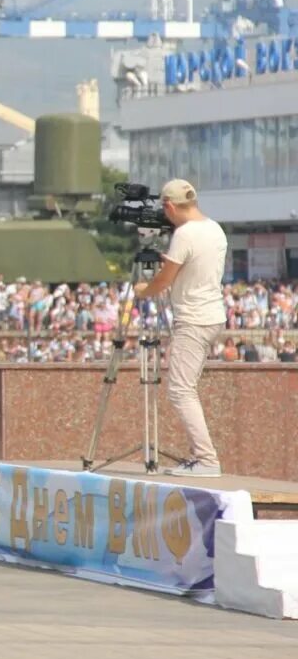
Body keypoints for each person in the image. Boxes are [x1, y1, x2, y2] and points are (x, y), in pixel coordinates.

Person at [133, 179, 228, 477]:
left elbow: (164, 280)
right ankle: (203, 458)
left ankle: (206, 459)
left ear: (170, 206)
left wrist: (143, 290)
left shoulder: (184, 235)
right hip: (212, 314)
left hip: (194, 318)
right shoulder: (214, 227)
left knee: (180, 390)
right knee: (186, 387)